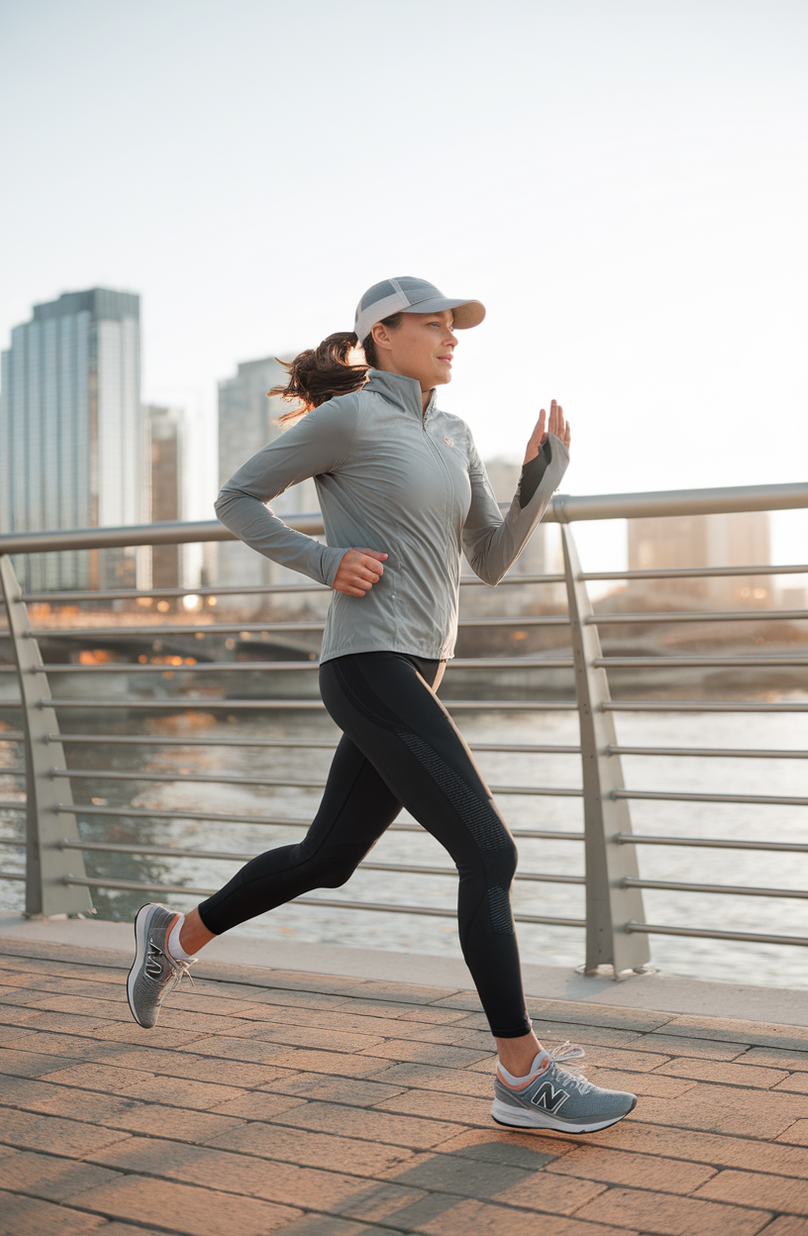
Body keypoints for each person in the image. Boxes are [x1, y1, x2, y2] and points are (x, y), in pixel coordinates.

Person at [126, 276, 637, 1134]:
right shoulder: (351, 418)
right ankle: (523, 1077)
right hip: (365, 666)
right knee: (490, 853)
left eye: (455, 325)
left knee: (327, 858)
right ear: (382, 335)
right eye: (434, 324)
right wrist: (324, 562)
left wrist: (543, 478)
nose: (451, 337)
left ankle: (172, 938)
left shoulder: (455, 432)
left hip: (419, 669)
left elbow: (489, 558)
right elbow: (235, 499)